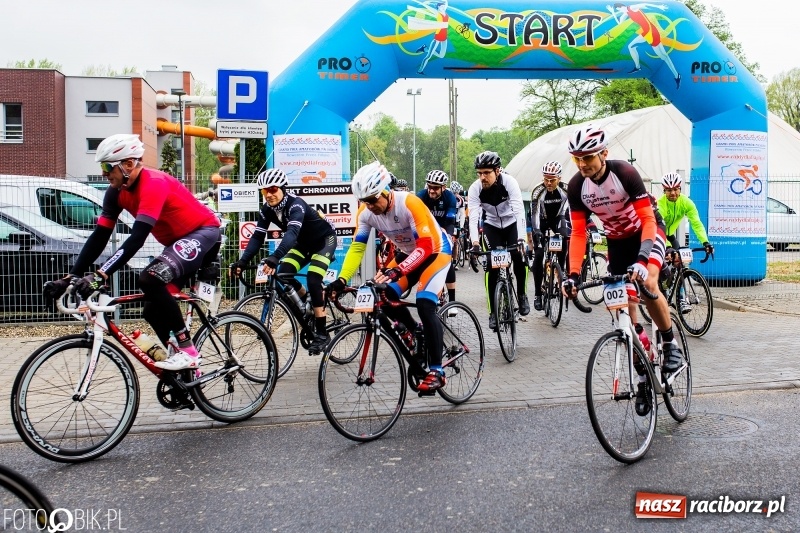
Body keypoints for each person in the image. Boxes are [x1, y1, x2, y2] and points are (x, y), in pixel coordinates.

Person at [44, 134, 221, 371]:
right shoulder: (115, 192)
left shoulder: (153, 183)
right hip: (176, 244)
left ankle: (188, 352)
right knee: (151, 310)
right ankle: (185, 370)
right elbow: (100, 236)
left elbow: (137, 238)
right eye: (102, 167)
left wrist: (100, 275)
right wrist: (71, 276)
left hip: (202, 232)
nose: (105, 174)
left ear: (128, 164)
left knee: (149, 278)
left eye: (108, 167)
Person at [561, 124, 683, 416]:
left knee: (649, 284)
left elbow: (648, 221)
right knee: (620, 307)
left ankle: (669, 342)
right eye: (576, 158)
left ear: (603, 153)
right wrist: (573, 274)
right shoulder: (577, 185)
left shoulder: (625, 173)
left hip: (647, 233)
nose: (582, 164)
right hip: (616, 242)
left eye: (587, 157)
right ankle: (643, 376)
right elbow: (578, 233)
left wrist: (643, 261)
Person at [326, 161, 452, 393]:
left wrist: (398, 270)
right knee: (383, 294)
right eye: (365, 201)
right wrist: (341, 280)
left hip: (436, 252)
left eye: (373, 199)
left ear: (386, 191)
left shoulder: (409, 203)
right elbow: (357, 248)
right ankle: (415, 332)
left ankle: (437, 370)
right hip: (407, 254)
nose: (370, 205)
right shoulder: (365, 214)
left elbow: (424, 247)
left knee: (425, 303)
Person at [229, 168, 338, 353]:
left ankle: (322, 332)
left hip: (324, 241)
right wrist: (242, 261)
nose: (269, 194)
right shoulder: (267, 210)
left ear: (282, 188)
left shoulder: (296, 205)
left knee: (313, 278)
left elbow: (292, 234)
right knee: (283, 274)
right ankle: (307, 301)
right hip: (303, 245)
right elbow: (257, 237)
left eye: (273, 189)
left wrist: (275, 256)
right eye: (265, 191)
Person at [467, 151, 530, 328]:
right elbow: (473, 217)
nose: (482, 177)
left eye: (487, 173)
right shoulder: (475, 188)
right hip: (491, 226)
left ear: (497, 171)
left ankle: (522, 294)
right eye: (479, 173)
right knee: (491, 267)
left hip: (511, 223)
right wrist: (475, 243)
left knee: (519, 258)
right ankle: (493, 312)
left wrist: (522, 239)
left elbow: (519, 211)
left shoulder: (509, 183)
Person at [657, 171, 714, 313]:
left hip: (670, 236)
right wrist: (666, 250)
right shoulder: (660, 205)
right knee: (666, 261)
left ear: (680, 189)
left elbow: (696, 223)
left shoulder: (686, 202)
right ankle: (661, 288)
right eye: (669, 190)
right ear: (664, 190)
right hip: (658, 235)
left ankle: (680, 298)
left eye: (675, 189)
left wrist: (705, 242)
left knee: (680, 261)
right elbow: (658, 229)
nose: (673, 193)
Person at [529, 161, 571, 312]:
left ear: (559, 178)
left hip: (558, 218)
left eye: (552, 179)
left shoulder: (566, 190)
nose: (548, 183)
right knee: (539, 254)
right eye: (546, 179)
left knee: (565, 239)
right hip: (541, 220)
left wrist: (574, 228)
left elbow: (570, 213)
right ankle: (537, 295)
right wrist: (537, 230)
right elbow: (534, 214)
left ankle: (560, 271)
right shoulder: (537, 191)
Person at [417, 169, 459, 304]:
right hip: (426, 230)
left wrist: (449, 234)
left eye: (435, 188)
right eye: (429, 187)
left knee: (447, 261)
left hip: (444, 228)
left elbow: (450, 221)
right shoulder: (421, 196)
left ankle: (452, 301)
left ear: (443, 187)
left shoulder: (450, 198)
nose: (431, 190)